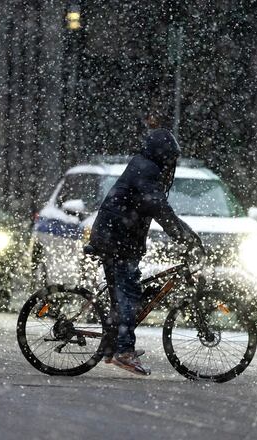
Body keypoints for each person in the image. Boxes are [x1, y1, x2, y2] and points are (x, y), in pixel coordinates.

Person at [85, 128, 203, 375]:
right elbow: (160, 209)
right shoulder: (147, 171)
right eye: (171, 157)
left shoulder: (144, 166)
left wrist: (188, 234)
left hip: (117, 237)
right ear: (162, 154)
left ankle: (110, 345)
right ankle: (124, 351)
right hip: (116, 240)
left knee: (126, 294)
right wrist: (184, 238)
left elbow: (161, 209)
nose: (173, 163)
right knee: (127, 294)